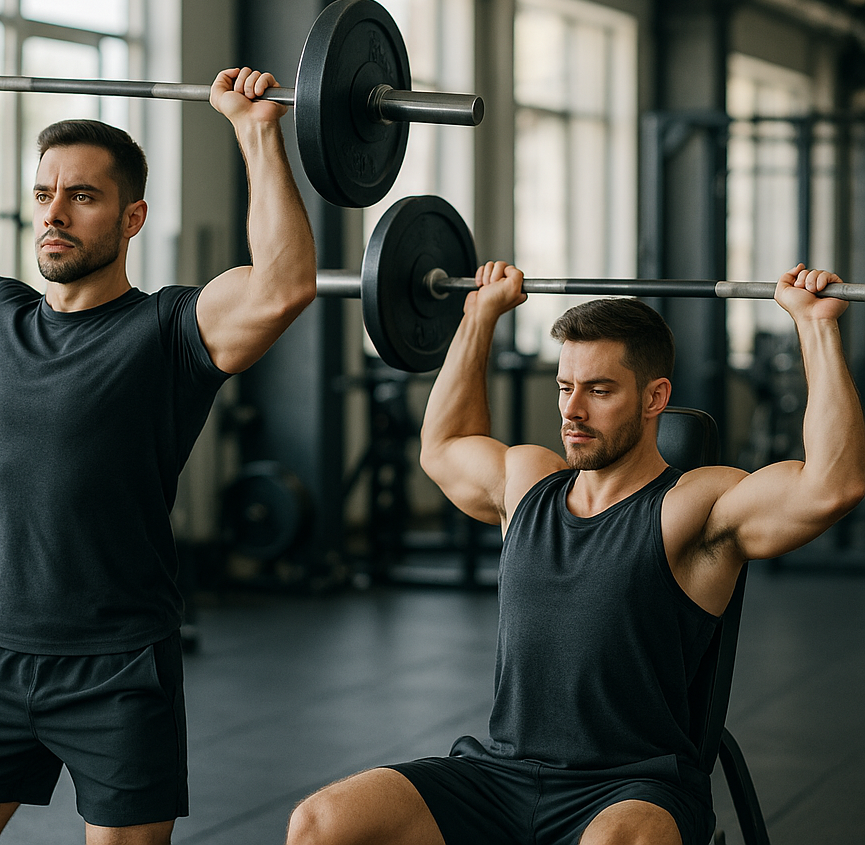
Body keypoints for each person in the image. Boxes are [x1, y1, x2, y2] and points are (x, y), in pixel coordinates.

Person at [0, 55, 317, 845]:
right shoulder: (1, 319)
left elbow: (282, 283)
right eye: (45, 194)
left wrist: (257, 134)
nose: (55, 213)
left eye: (83, 196)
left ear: (131, 218)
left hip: (118, 665)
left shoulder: (169, 333)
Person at [286, 260, 865, 845]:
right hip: (500, 775)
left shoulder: (691, 506)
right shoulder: (529, 484)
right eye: (565, 387)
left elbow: (831, 486)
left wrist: (815, 326)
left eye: (599, 389)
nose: (572, 410)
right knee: (320, 824)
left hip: (630, 790)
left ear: (654, 397)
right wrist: (478, 315)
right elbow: (444, 446)